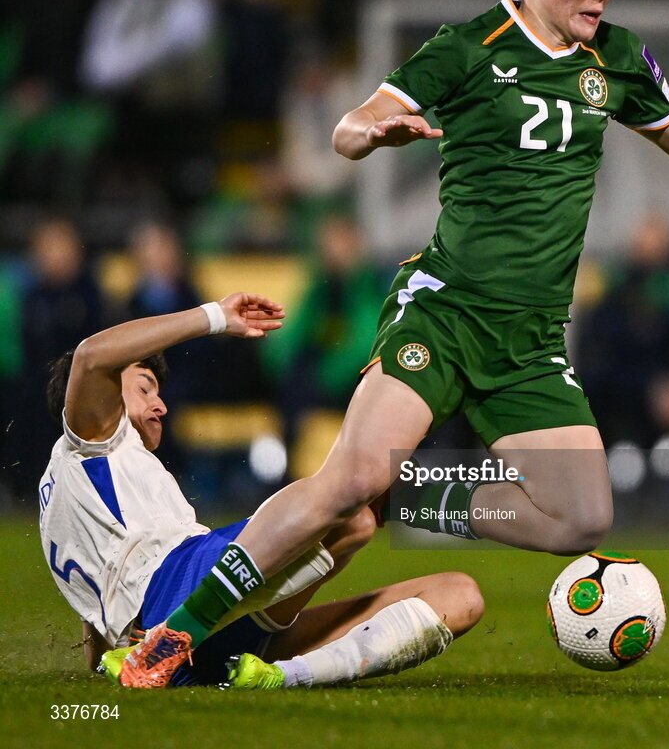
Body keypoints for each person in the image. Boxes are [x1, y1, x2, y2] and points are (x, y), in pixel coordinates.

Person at [120, 0, 669, 686]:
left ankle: (410, 495)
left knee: (581, 517)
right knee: (348, 477)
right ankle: (172, 635)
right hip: (445, 310)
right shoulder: (466, 48)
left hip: (531, 339)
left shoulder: (616, 58)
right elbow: (350, 126)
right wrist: (375, 132)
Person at [39, 292, 482, 688]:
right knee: (349, 503)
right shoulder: (93, 440)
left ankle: (273, 676)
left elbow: (101, 597)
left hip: (197, 642)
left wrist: (101, 662)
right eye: (144, 387)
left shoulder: (77, 484)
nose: (161, 404)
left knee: (457, 594)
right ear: (92, 398)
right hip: (173, 594)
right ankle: (166, 639)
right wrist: (214, 316)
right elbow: (92, 355)